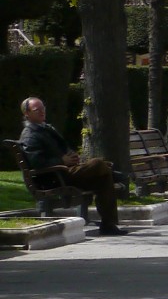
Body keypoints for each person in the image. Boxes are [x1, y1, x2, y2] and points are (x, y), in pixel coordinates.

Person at [14, 98, 120, 234]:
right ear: (27, 114)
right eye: (37, 110)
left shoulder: (45, 129)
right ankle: (116, 175)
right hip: (54, 177)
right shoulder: (30, 135)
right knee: (98, 164)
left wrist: (72, 156)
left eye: (43, 108)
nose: (42, 112)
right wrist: (62, 160)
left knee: (103, 177)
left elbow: (63, 148)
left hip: (65, 172)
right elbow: (37, 162)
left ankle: (109, 225)